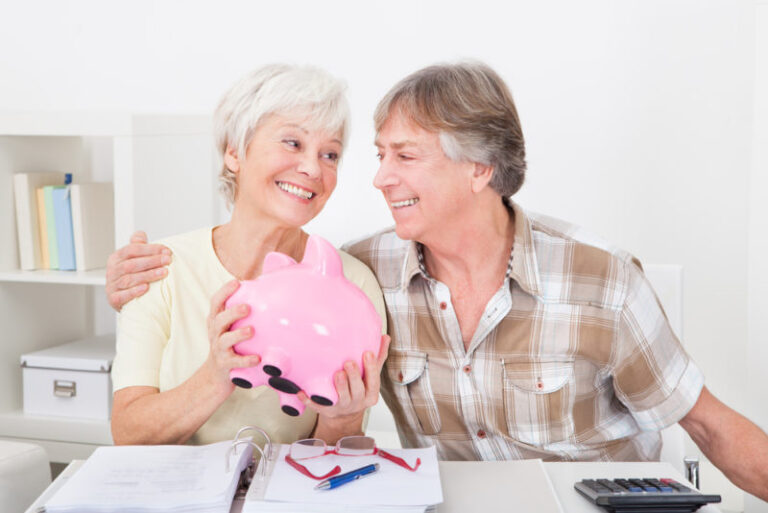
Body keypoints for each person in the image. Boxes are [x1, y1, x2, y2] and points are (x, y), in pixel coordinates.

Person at [106, 62, 768, 500]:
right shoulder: (370, 273)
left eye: (405, 157)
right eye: (377, 155)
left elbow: (710, 428)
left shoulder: (600, 279)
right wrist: (126, 281)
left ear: (479, 169)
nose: (376, 177)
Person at [109, 64, 389, 448]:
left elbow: (331, 460)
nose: (312, 167)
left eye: (330, 154)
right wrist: (216, 375)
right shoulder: (158, 268)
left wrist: (344, 417)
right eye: (292, 143)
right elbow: (127, 433)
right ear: (234, 153)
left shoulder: (351, 284)